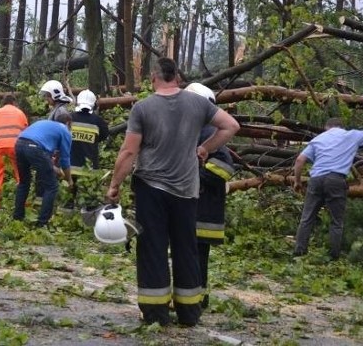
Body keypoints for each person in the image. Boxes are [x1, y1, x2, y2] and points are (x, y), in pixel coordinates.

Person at [106, 58, 239, 327]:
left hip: (151, 188)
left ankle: (155, 313)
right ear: (177, 78)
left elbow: (130, 151)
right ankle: (189, 312)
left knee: (153, 247)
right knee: (186, 248)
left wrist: (114, 185)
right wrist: (205, 148)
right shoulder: (199, 104)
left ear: (153, 78)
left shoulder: (143, 108)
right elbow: (231, 126)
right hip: (188, 191)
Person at [183, 82, 236, 309]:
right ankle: (197, 298)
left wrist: (194, 174)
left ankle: (197, 299)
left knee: (195, 258)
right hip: (196, 208)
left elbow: (224, 167)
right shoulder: (196, 131)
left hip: (202, 211)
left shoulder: (208, 132)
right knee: (191, 258)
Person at [292, 118, 363, 260]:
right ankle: (333, 257)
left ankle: (299, 253)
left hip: (316, 179)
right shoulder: (351, 135)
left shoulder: (318, 139)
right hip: (336, 180)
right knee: (336, 221)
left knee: (307, 218)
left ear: (326, 127)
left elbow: (300, 160)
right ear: (341, 127)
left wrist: (297, 181)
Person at [13, 113, 73, 227]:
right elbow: (65, 159)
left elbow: (44, 158)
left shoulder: (43, 123)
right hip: (35, 148)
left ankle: (17, 218)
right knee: (52, 186)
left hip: (19, 144)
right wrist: (69, 179)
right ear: (68, 123)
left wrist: (53, 168)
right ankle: (42, 223)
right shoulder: (64, 130)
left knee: (24, 183)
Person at [67, 89, 109, 209]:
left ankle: (68, 212)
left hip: (71, 165)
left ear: (78, 102)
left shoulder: (69, 118)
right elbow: (104, 135)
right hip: (89, 166)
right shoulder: (98, 121)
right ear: (93, 104)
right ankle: (89, 215)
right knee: (90, 198)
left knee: (69, 196)